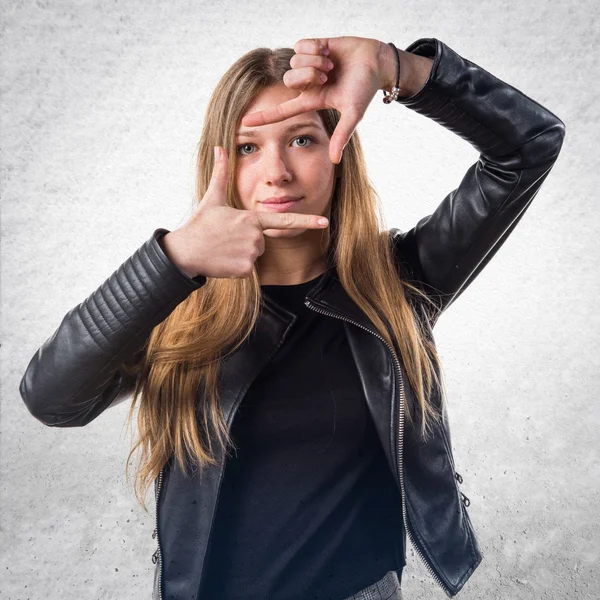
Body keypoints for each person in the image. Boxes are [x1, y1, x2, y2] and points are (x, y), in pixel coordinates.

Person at [18, 35, 566, 600]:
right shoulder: (173, 300)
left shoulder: (399, 282)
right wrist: (175, 259)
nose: (275, 172)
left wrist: (395, 67)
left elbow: (529, 144)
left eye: (301, 139)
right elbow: (51, 398)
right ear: (220, 167)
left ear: (339, 150)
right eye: (248, 148)